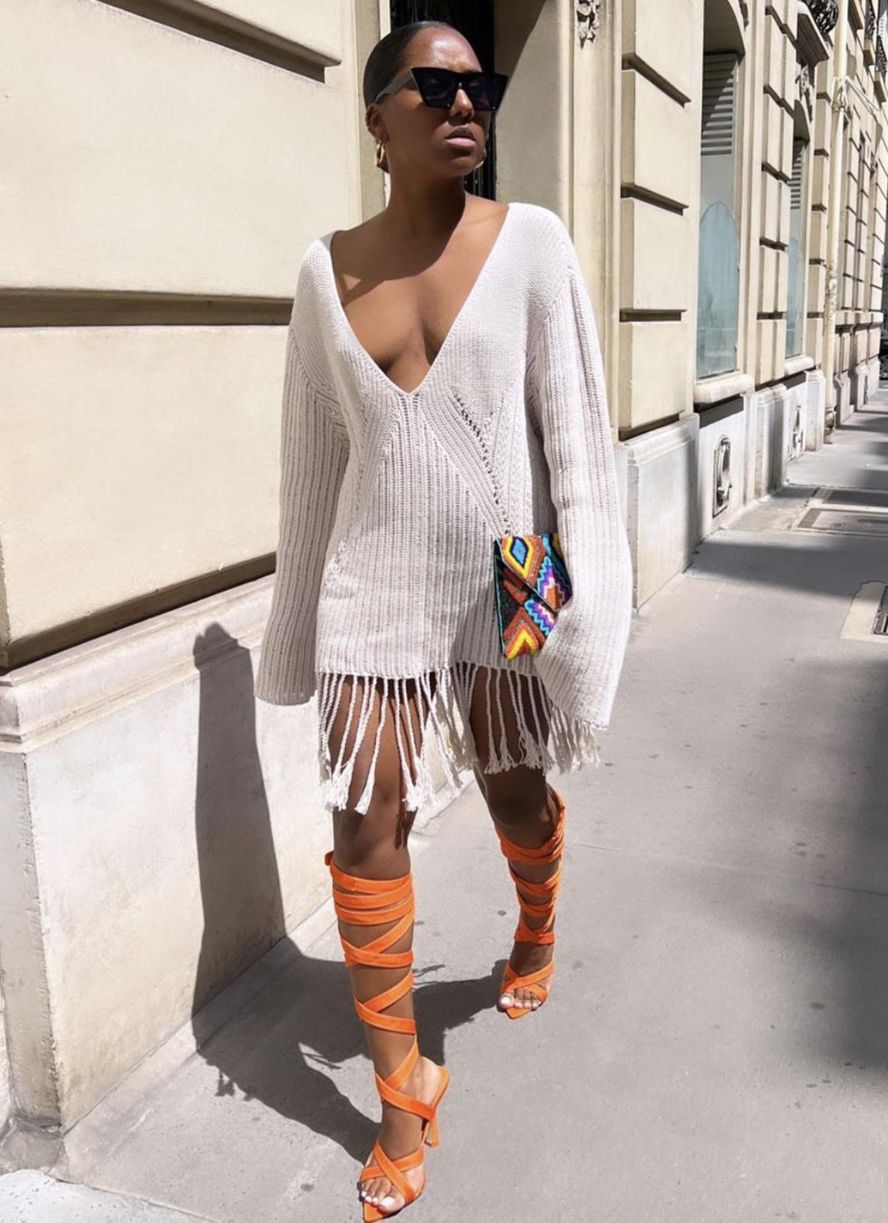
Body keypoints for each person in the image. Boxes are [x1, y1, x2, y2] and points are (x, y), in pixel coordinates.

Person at [254, 18, 633, 1221]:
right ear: (376, 118)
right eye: (434, 83)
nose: (465, 102)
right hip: (374, 583)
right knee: (364, 825)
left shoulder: (532, 243)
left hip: (511, 577)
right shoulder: (323, 272)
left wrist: (591, 615)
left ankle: (535, 926)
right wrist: (292, 632)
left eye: (481, 84)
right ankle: (402, 1090)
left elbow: (577, 444)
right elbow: (311, 462)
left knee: (515, 789)